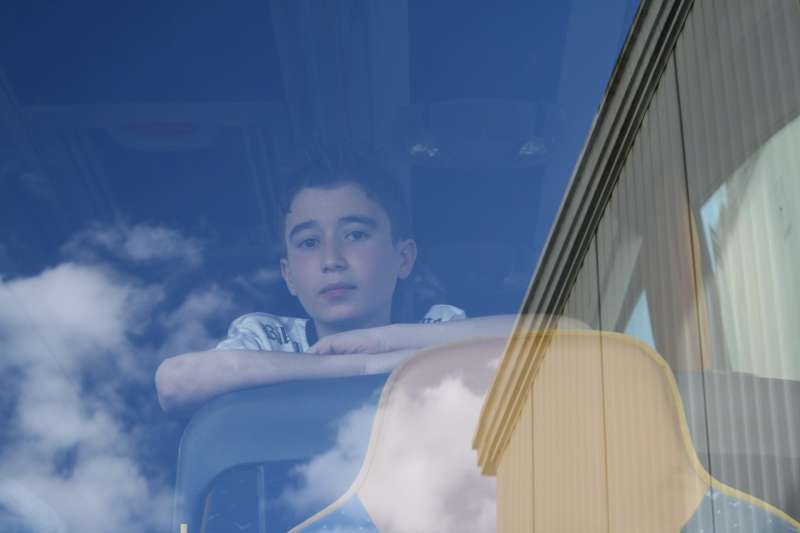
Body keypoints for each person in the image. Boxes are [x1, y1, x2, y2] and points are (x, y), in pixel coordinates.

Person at [155, 154, 519, 413]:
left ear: (404, 258)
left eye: (356, 235)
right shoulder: (266, 338)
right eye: (309, 242)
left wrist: (383, 342)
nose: (331, 260)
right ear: (288, 276)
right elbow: (174, 382)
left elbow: (545, 340)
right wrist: (361, 368)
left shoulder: (433, 328)